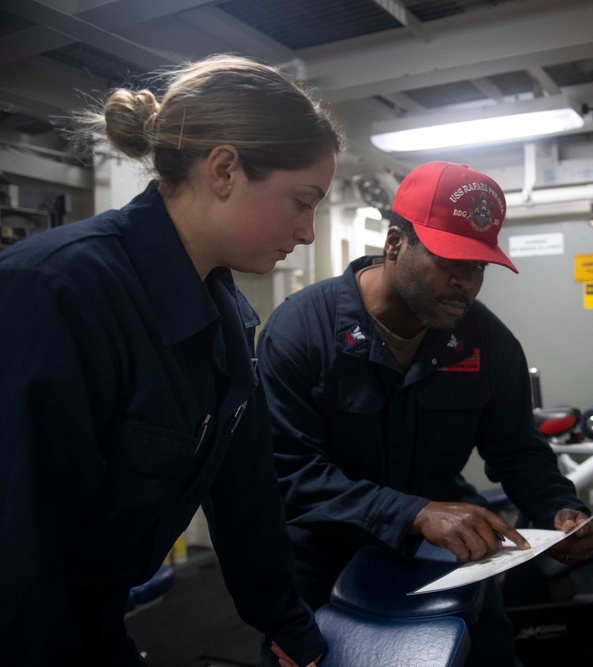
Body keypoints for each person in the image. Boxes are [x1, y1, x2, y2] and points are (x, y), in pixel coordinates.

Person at [0, 54, 343, 667]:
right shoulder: (57, 292)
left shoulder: (228, 315)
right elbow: (17, 552)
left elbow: (245, 495)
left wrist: (287, 624)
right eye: (301, 201)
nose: (309, 232)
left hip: (93, 616)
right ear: (225, 170)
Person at [256, 160, 593, 666]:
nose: (466, 282)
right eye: (451, 260)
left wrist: (558, 509)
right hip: (321, 567)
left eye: (479, 265)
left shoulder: (488, 344)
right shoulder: (303, 330)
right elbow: (288, 473)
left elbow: (518, 450)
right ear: (396, 243)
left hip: (444, 563)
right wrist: (413, 513)